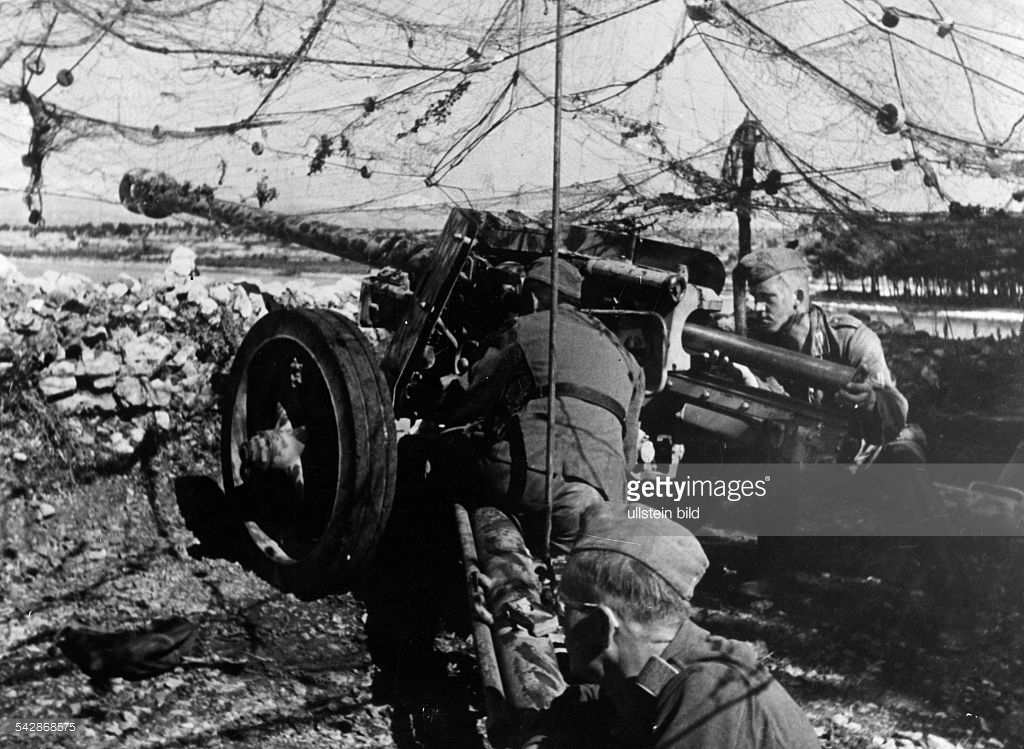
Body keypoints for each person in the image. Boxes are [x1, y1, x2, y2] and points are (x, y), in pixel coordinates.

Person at [521, 502, 821, 749]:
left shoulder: (710, 693)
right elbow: (592, 703)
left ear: (601, 625)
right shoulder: (664, 669)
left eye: (562, 607)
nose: (559, 620)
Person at [433, 257, 645, 554]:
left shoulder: (525, 327)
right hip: (602, 497)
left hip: (530, 479)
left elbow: (469, 400)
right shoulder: (623, 354)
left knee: (447, 453)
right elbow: (628, 452)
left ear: (531, 297)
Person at [734, 247, 912, 459]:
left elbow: (896, 411)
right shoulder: (760, 342)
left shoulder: (850, 340)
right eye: (754, 298)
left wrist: (871, 401)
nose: (757, 308)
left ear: (797, 298)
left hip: (853, 458)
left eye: (766, 298)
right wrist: (749, 380)